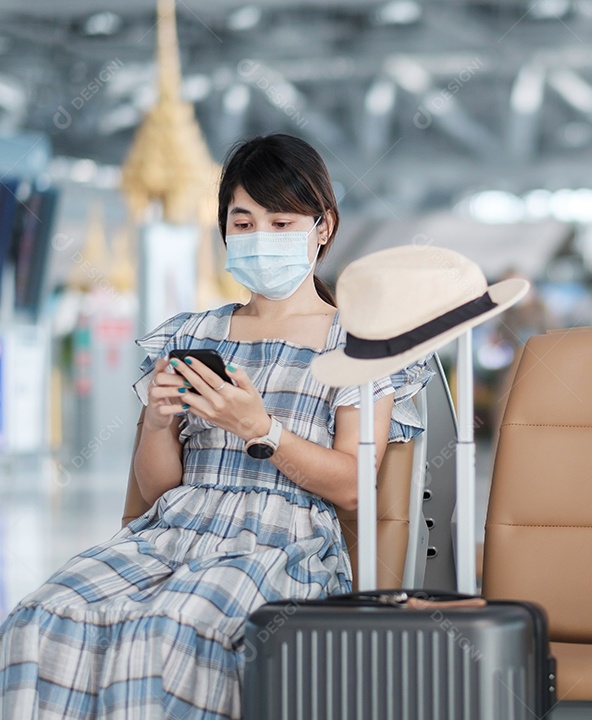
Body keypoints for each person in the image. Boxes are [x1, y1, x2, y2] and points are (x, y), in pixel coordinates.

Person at [0, 134, 426, 719]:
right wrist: (155, 422)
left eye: (281, 223)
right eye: (243, 221)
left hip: (282, 544)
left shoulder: (360, 342)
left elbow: (356, 485)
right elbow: (155, 490)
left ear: (323, 227)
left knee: (167, 630)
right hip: (170, 533)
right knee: (39, 617)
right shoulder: (188, 334)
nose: (259, 239)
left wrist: (262, 430)